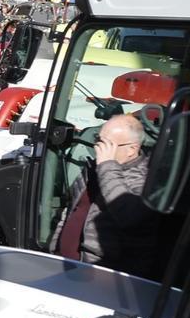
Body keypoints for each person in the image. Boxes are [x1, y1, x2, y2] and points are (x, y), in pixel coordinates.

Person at [53, 114, 160, 279]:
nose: (97, 148)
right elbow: (72, 209)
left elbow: (129, 216)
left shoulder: (145, 180)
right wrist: (55, 246)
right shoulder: (93, 167)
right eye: (98, 140)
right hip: (64, 264)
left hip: (100, 274)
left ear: (132, 149)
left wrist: (107, 166)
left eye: (106, 144)